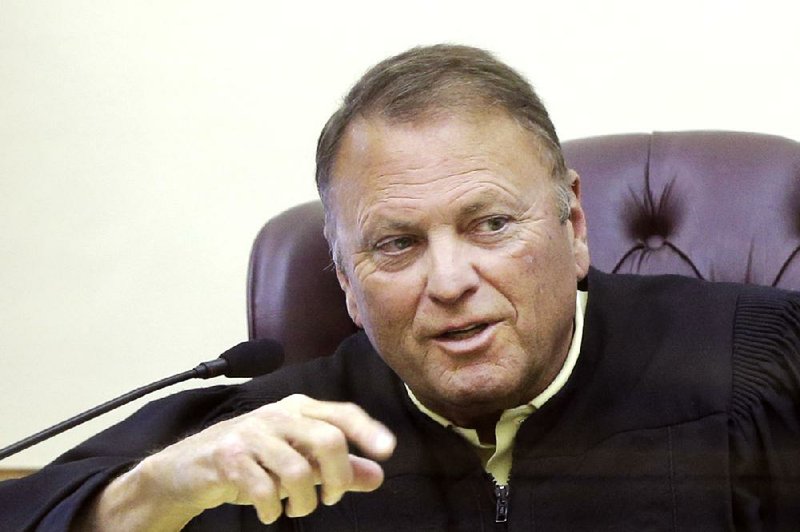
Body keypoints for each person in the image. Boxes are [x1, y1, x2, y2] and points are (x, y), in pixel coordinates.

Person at [1, 44, 799, 531]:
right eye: (397, 244)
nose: (450, 281)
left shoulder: (755, 367)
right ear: (346, 280)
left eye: (491, 224)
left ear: (575, 223)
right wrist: (150, 498)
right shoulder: (274, 435)